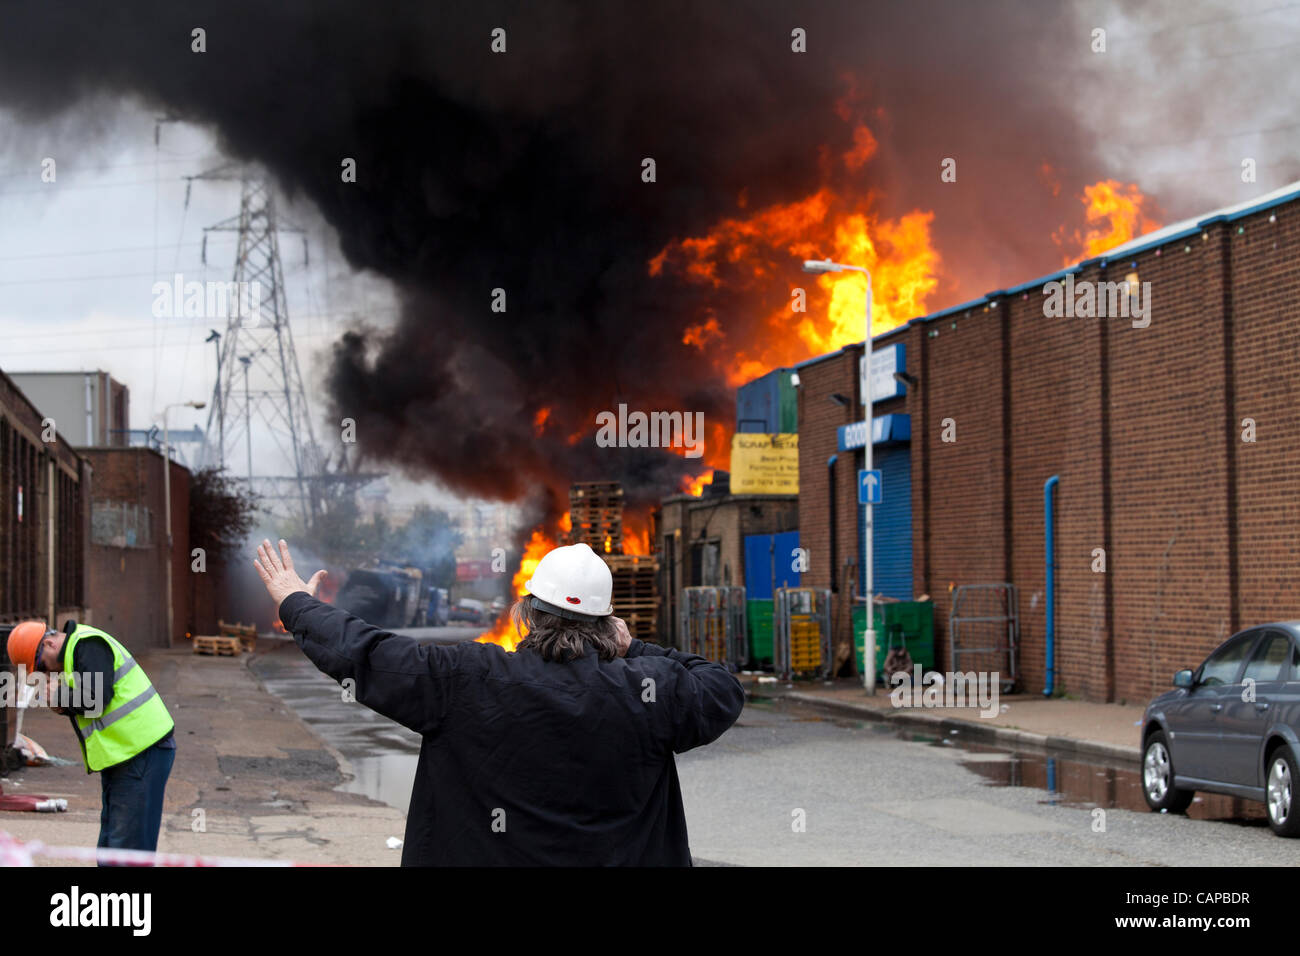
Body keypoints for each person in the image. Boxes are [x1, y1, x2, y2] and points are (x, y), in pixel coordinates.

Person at [254, 537, 744, 865]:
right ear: (607, 625)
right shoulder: (651, 690)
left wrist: (295, 601)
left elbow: (364, 653)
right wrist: (635, 647)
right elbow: (721, 686)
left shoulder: (465, 678)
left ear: (526, 614)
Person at [6, 619, 176, 863]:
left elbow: (97, 698)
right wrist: (64, 705)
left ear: (49, 643)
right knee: (111, 847)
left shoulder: (87, 645)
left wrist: (62, 696)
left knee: (126, 849)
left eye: (42, 666)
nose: (46, 673)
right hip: (125, 755)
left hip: (142, 752)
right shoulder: (77, 652)